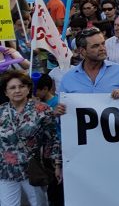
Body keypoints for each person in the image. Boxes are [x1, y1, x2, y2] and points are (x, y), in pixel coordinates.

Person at [0, 70, 62, 206]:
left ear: (28, 89)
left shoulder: (42, 109)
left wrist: (57, 165)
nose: (17, 90)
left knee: (38, 204)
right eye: (12, 87)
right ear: (6, 92)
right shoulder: (2, 111)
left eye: (21, 86)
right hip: (6, 170)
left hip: (32, 170)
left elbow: (52, 139)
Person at [58, 27, 119, 97]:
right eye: (95, 46)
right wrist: (59, 111)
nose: (102, 48)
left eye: (103, 43)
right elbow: (62, 107)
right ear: (82, 51)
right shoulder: (68, 78)